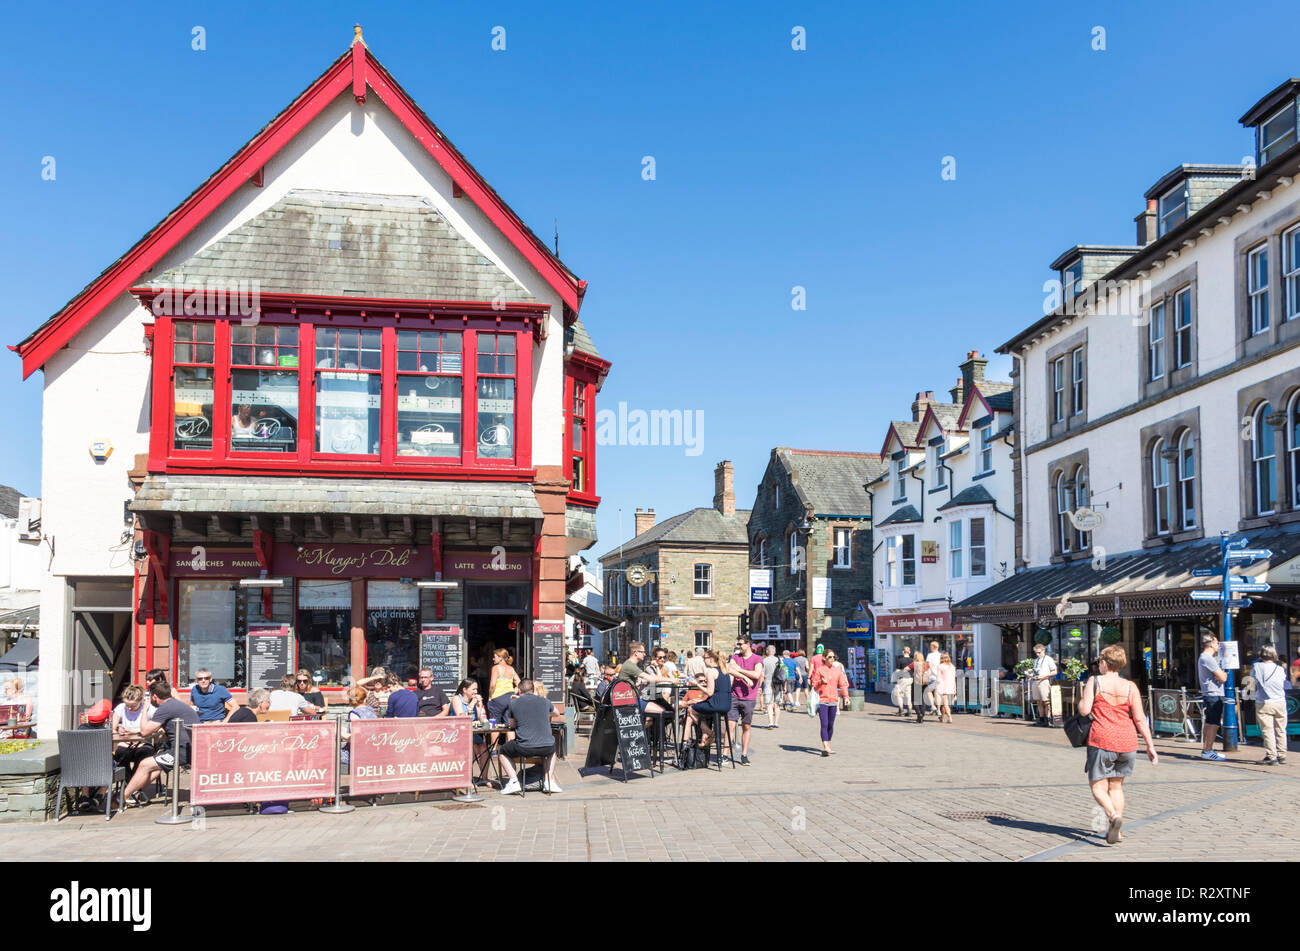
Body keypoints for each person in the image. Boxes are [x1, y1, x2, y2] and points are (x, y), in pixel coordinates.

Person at [1076, 644, 1157, 845]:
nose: (1099, 665)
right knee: (1116, 786)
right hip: (1127, 741)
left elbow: (1085, 711)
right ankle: (1117, 832)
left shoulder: (1095, 682)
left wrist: (1080, 703)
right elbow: (1139, 719)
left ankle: (1112, 817)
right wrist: (1150, 745)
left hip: (1102, 739)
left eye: (1100, 661)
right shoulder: (1130, 686)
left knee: (1098, 786)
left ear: (1105, 663)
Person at [122, 682, 199, 808]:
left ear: (154, 697)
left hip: (181, 752)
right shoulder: (175, 705)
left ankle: (121, 798)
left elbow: (144, 731)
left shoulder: (165, 708)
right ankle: (132, 793)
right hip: (191, 748)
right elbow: (160, 729)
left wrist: (144, 710)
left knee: (144, 764)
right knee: (154, 768)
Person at [499, 679, 560, 795]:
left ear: (520, 691)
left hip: (524, 747)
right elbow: (557, 713)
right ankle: (548, 782)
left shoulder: (513, 703)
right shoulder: (544, 701)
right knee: (552, 750)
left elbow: (512, 724)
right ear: (533, 690)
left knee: (502, 751)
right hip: (546, 747)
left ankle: (514, 782)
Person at [682, 650, 733, 757]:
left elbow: (709, 692)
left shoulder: (711, 672)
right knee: (699, 706)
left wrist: (697, 684)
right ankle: (709, 735)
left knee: (691, 709)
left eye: (704, 658)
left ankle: (710, 733)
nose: (703, 660)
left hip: (716, 705)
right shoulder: (725, 671)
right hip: (727, 705)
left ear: (710, 659)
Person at [728, 635, 764, 765]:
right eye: (737, 644)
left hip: (749, 697)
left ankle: (744, 754)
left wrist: (741, 670)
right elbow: (731, 669)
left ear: (748, 644)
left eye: (740, 644)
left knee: (746, 726)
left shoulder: (757, 658)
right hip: (734, 695)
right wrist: (745, 677)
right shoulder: (735, 657)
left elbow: (756, 674)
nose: (738, 646)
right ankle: (725, 755)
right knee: (730, 725)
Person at [1251, 644, 1289, 765]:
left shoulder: (1256, 667)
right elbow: (1283, 683)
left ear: (1261, 655)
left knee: (1268, 730)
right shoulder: (1280, 668)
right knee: (1281, 729)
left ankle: (1271, 756)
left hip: (1264, 702)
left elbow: (1250, 684)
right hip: (1280, 702)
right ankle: (1282, 755)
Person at [810, 650, 850, 756]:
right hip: (823, 700)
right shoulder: (819, 670)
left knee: (831, 725)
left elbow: (843, 685)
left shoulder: (837, 671)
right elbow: (814, 685)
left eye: (833, 657)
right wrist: (821, 682)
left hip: (833, 700)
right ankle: (826, 747)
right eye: (830, 657)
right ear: (824, 658)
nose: (832, 659)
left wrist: (846, 697)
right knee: (824, 724)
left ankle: (828, 744)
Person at [1198, 634, 1229, 761]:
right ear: (1211, 644)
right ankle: (1208, 750)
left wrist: (1220, 674)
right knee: (1214, 723)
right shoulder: (1207, 658)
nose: (1217, 646)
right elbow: (1223, 677)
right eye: (1216, 643)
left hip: (1210, 693)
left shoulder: (1204, 658)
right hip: (1213, 693)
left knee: (1209, 722)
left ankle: (1206, 749)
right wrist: (1223, 673)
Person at [340, 686, 377, 766]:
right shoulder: (371, 710)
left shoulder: (354, 714)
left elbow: (356, 737)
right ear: (364, 699)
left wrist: (342, 735)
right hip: (373, 749)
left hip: (358, 754)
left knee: (329, 753)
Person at [487, 649, 520, 721]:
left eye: (494, 657)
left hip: (498, 698)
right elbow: (519, 683)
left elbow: (492, 685)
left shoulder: (496, 668)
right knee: (509, 725)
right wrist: (515, 691)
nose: (493, 659)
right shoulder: (511, 669)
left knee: (494, 725)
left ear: (500, 658)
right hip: (510, 698)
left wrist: (490, 696)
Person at [1031, 644, 1058, 726]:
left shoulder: (1048, 659)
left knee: (1046, 701)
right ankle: (1041, 718)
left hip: (1044, 681)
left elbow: (1054, 671)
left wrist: (1045, 676)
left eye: (1039, 652)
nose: (1037, 654)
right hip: (1036, 681)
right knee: (1038, 701)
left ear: (1043, 651)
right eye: (1036, 653)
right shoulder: (1036, 660)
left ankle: (1048, 719)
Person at [760, 644, 782, 729]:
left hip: (768, 684)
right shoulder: (779, 660)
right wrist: (784, 685)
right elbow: (784, 674)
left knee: (769, 704)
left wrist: (759, 686)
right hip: (778, 684)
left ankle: (771, 723)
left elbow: (762, 675)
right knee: (777, 704)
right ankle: (776, 723)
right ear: (775, 652)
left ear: (766, 651)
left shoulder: (764, 661)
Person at [936, 653, 957, 723]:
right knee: (945, 704)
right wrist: (955, 689)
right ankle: (941, 717)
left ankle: (949, 717)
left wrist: (936, 687)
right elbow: (954, 678)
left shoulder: (940, 666)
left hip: (943, 686)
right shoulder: (952, 666)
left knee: (945, 704)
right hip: (951, 686)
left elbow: (938, 678)